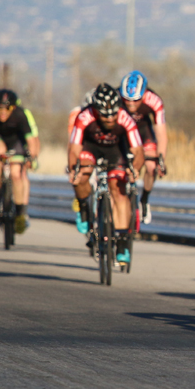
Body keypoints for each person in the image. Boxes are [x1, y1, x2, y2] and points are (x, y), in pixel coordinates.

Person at [68, 83, 144, 265]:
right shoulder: (84, 116)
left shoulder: (125, 117)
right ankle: (84, 208)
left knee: (118, 189)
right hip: (91, 147)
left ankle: (123, 241)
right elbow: (74, 149)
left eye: (113, 114)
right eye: (104, 115)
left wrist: (135, 169)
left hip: (116, 149)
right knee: (81, 173)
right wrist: (74, 170)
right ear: (95, 110)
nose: (110, 119)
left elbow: (138, 151)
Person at [0, 89, 41, 235]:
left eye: (8, 108)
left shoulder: (20, 114)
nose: (3, 112)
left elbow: (31, 140)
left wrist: (32, 157)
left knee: (16, 174)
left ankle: (19, 213)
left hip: (15, 141)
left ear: (14, 107)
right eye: (0, 107)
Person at [119, 71, 168, 225]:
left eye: (136, 100)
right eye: (127, 100)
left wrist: (161, 160)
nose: (131, 104)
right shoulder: (116, 99)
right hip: (123, 133)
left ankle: (144, 199)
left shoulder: (154, 101)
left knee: (151, 165)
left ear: (144, 94)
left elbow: (161, 134)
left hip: (143, 131)